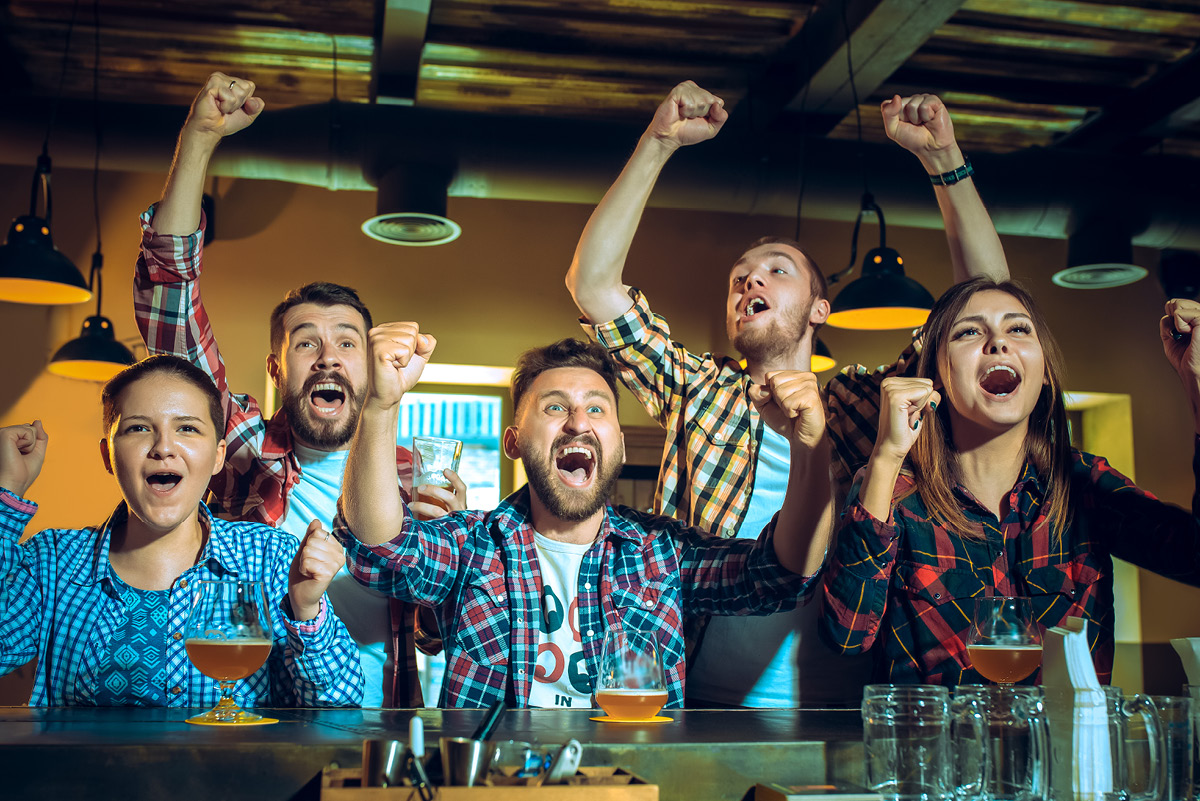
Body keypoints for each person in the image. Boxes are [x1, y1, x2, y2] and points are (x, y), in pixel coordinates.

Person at [565, 80, 1009, 707]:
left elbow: (987, 302)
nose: (752, 280)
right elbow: (591, 284)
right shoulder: (697, 390)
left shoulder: (864, 406)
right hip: (697, 702)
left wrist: (945, 162)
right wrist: (657, 142)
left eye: (778, 269)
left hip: (851, 707)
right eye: (739, 279)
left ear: (819, 308)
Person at [134, 72, 466, 707]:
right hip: (251, 711)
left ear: (369, 371)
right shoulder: (242, 448)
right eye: (305, 342)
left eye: (347, 341)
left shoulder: (412, 478)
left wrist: (441, 566)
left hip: (383, 723)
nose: (327, 358)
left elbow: (431, 637)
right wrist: (201, 138)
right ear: (278, 367)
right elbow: (170, 313)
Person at [333, 330, 832, 709]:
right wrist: (380, 405)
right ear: (514, 442)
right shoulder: (472, 546)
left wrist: (811, 449)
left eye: (597, 409)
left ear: (616, 440)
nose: (578, 422)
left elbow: (780, 575)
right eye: (554, 407)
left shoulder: (663, 552)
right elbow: (378, 550)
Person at [821, 283, 1200, 686]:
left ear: (1043, 369)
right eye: (969, 332)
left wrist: (1198, 388)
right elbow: (846, 637)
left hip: (1062, 749)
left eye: (1018, 329)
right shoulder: (894, 492)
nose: (998, 342)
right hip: (940, 748)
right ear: (936, 376)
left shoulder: (1083, 483)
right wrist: (885, 458)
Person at [0, 355, 363, 707]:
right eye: (138, 428)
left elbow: (339, 701)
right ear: (108, 456)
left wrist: (306, 608)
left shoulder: (272, 559)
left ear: (219, 455)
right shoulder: (51, 562)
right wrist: (5, 493)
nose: (163, 448)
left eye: (187, 428)